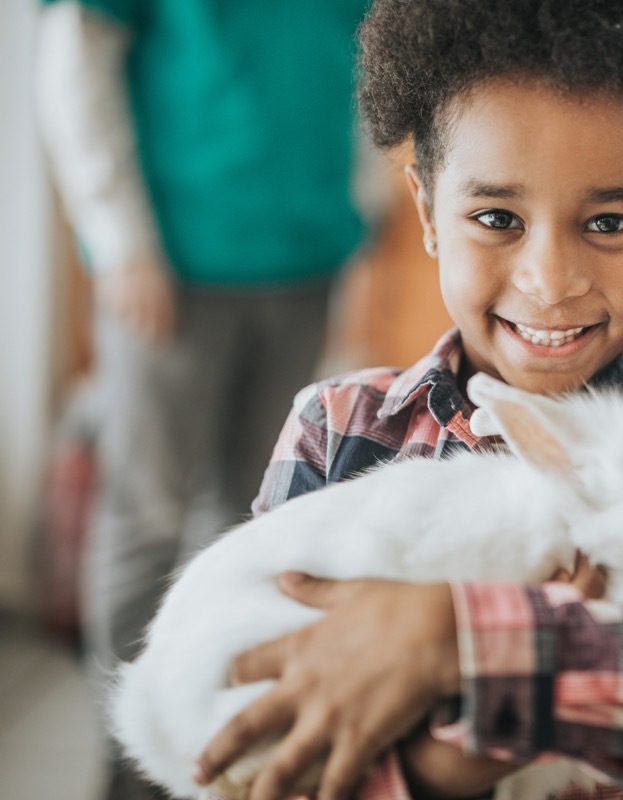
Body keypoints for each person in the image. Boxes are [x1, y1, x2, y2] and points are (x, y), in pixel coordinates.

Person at [192, 2, 623, 799]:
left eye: (610, 221)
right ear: (427, 214)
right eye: (496, 218)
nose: (550, 281)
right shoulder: (337, 429)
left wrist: (463, 641)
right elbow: (272, 720)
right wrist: (459, 759)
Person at [33, 1, 379, 797]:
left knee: (253, 521)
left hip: (307, 254)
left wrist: (361, 206)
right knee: (146, 516)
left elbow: (357, 52)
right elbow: (76, 53)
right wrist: (120, 240)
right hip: (174, 264)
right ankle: (128, 758)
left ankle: (206, 745)